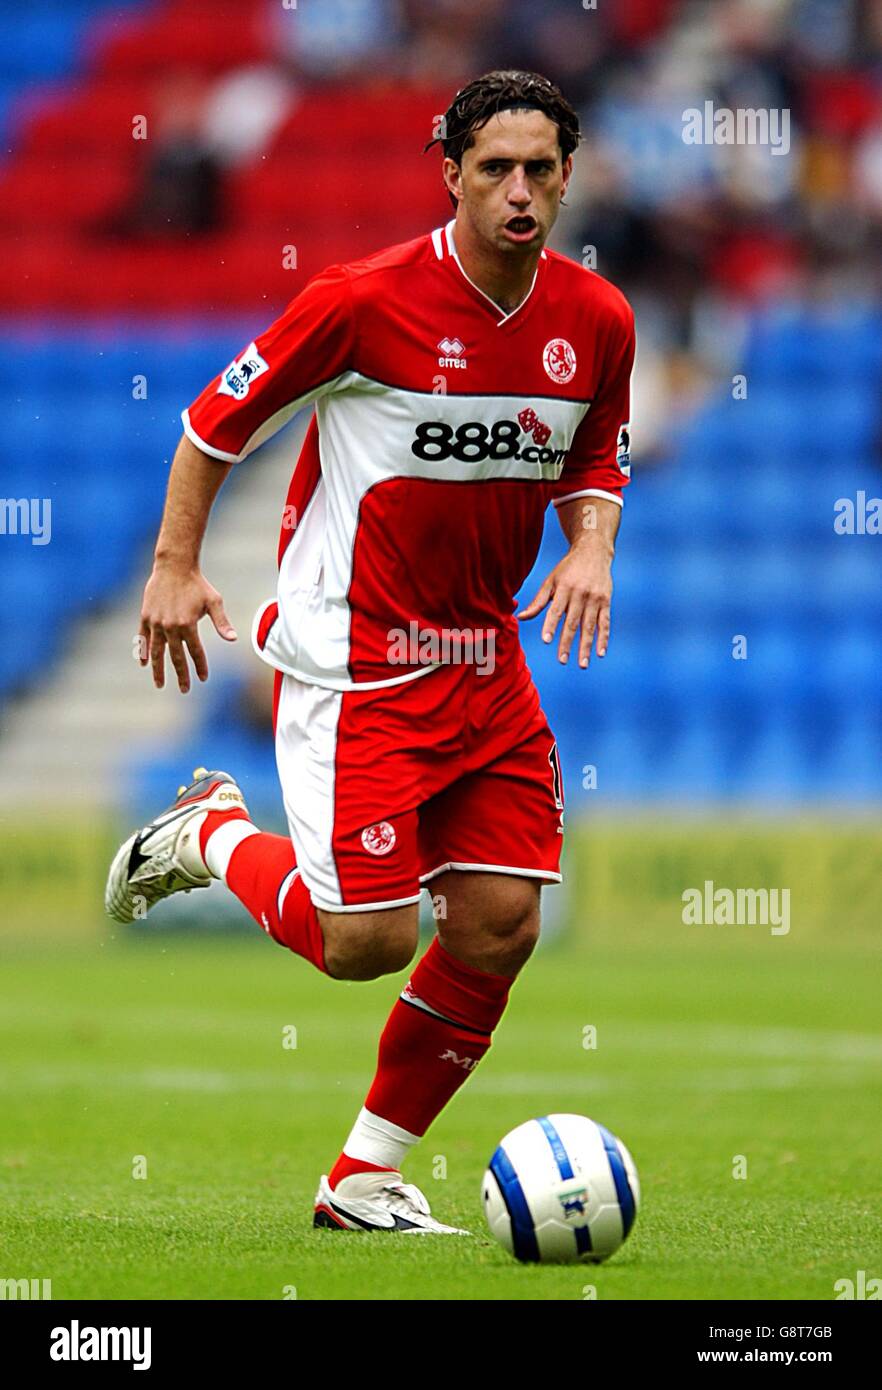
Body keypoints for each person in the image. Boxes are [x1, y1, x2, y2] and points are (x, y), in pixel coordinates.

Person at [105, 69, 635, 1235]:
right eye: (494, 167)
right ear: (450, 173)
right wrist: (175, 565)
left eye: (540, 169)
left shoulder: (598, 321)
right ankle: (210, 833)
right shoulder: (362, 301)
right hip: (362, 666)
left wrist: (591, 543)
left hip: (487, 662)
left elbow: (598, 455)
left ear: (565, 180)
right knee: (367, 943)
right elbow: (212, 421)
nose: (518, 190)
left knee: (500, 922)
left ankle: (361, 1179)